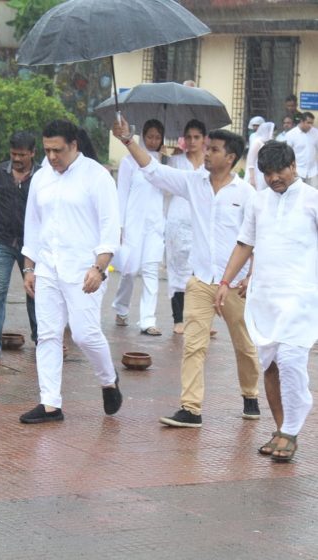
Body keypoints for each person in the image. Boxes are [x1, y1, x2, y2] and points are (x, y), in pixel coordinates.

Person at [113, 116, 260, 427]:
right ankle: (191, 408)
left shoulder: (246, 194)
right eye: (205, 148)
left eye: (213, 149)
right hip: (200, 282)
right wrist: (129, 140)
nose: (205, 153)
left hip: (236, 286)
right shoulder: (193, 183)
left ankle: (250, 394)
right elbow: (154, 171)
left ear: (230, 157)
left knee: (244, 345)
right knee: (194, 345)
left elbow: (257, 240)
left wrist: (250, 276)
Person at [215, 141, 318, 463]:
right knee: (271, 365)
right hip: (265, 297)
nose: (274, 178)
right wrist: (226, 281)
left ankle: (290, 429)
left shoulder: (313, 200)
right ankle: (282, 430)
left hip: (301, 296)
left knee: (290, 360)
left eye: (280, 171)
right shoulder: (259, 203)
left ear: (294, 166)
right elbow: (245, 244)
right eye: (268, 173)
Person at [19, 120, 122, 424]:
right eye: (47, 150)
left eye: (58, 150)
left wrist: (99, 267)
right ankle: (50, 403)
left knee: (84, 333)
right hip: (48, 267)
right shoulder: (41, 178)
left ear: (74, 145)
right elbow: (33, 224)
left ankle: (108, 379)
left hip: (84, 269)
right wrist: (29, 266)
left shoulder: (97, 177)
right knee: (48, 334)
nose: (52, 157)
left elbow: (110, 227)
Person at [0, 131, 39, 360]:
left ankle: (41, 339)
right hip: (1, 240)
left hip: (31, 246)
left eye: (22, 154)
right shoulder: (0, 172)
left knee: (35, 293)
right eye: (14, 154)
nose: (18, 159)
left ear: (32, 153)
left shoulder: (43, 176)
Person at [112, 119, 165, 336]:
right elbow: (122, 194)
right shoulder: (128, 162)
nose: (153, 141)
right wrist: (120, 226)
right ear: (142, 136)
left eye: (157, 137)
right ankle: (121, 307)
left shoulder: (165, 162)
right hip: (133, 223)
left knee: (151, 269)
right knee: (129, 270)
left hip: (155, 224)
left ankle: (147, 320)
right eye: (149, 136)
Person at [166, 119, 206, 335]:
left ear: (204, 139)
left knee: (200, 270)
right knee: (178, 269)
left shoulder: (209, 163)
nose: (192, 141)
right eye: (188, 137)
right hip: (177, 220)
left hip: (199, 221)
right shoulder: (174, 161)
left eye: (196, 137)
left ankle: (199, 319)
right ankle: (178, 318)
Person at [286, 112, 318, 188]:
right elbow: (288, 154)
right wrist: (291, 170)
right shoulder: (291, 134)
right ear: (302, 121)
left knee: (314, 194)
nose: (310, 125)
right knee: (298, 194)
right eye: (308, 123)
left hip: (313, 171)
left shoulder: (316, 133)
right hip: (298, 171)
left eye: (312, 123)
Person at [246, 122, 275, 191]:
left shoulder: (267, 143)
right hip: (255, 172)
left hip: (263, 172)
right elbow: (250, 160)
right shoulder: (257, 142)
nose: (273, 133)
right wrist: (252, 177)